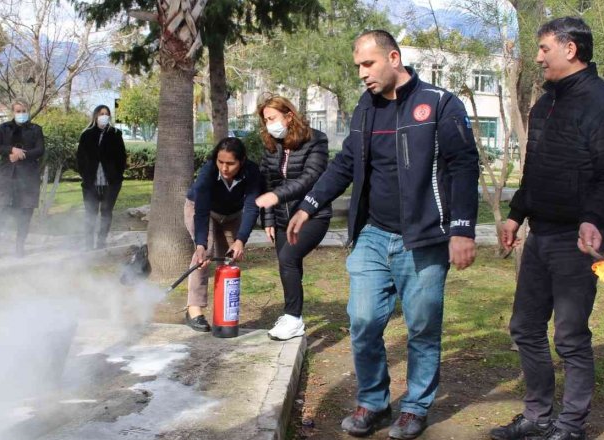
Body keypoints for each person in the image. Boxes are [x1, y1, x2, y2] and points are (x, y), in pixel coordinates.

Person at [287, 30, 479, 439]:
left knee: (423, 326)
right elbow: (345, 164)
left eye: (368, 64)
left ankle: (415, 407)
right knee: (362, 319)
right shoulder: (365, 108)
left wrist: (462, 229)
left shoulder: (440, 104)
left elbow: (464, 166)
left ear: (394, 58)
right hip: (373, 233)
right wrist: (309, 204)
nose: (361, 73)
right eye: (358, 65)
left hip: (425, 237)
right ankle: (374, 401)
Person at [491, 17, 604, 440]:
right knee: (525, 328)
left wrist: (592, 218)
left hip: (578, 240)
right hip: (540, 236)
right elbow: (534, 169)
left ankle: (570, 427)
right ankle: (537, 418)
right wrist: (516, 214)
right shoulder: (544, 104)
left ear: (570, 49)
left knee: (570, 336)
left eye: (543, 48)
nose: (537, 57)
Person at [254, 95, 331, 341]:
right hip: (280, 218)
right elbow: (267, 182)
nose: (269, 125)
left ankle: (292, 318)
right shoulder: (271, 145)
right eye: (266, 120)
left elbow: (309, 178)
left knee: (288, 257)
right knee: (288, 265)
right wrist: (267, 219)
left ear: (289, 116)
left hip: (311, 215)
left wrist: (276, 196)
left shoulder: (316, 140)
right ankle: (293, 315)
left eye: (273, 118)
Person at [183, 137, 261, 332]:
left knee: (229, 260)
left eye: (230, 163)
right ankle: (194, 310)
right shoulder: (208, 172)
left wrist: (240, 240)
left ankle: (224, 313)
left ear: (241, 161)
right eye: (221, 162)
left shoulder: (252, 172)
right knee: (204, 254)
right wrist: (200, 244)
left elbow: (252, 207)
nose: (224, 168)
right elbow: (201, 210)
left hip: (232, 215)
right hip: (203, 210)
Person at [0, 100, 45, 259]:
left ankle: (19, 246)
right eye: (18, 111)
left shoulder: (36, 129)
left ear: (28, 111)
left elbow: (40, 150)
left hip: (28, 178)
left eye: (24, 110)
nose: (21, 114)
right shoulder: (4, 128)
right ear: (13, 112)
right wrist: (11, 149)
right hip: (7, 177)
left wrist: (22, 154)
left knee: (25, 212)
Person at [76, 104, 126, 250]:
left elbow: (121, 157)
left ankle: (101, 242)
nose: (104, 116)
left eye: (106, 113)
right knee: (90, 213)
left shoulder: (115, 134)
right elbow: (80, 158)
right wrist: (85, 175)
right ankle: (88, 244)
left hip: (110, 182)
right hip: (90, 182)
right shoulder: (86, 134)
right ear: (95, 116)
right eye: (101, 113)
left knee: (106, 212)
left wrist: (117, 174)